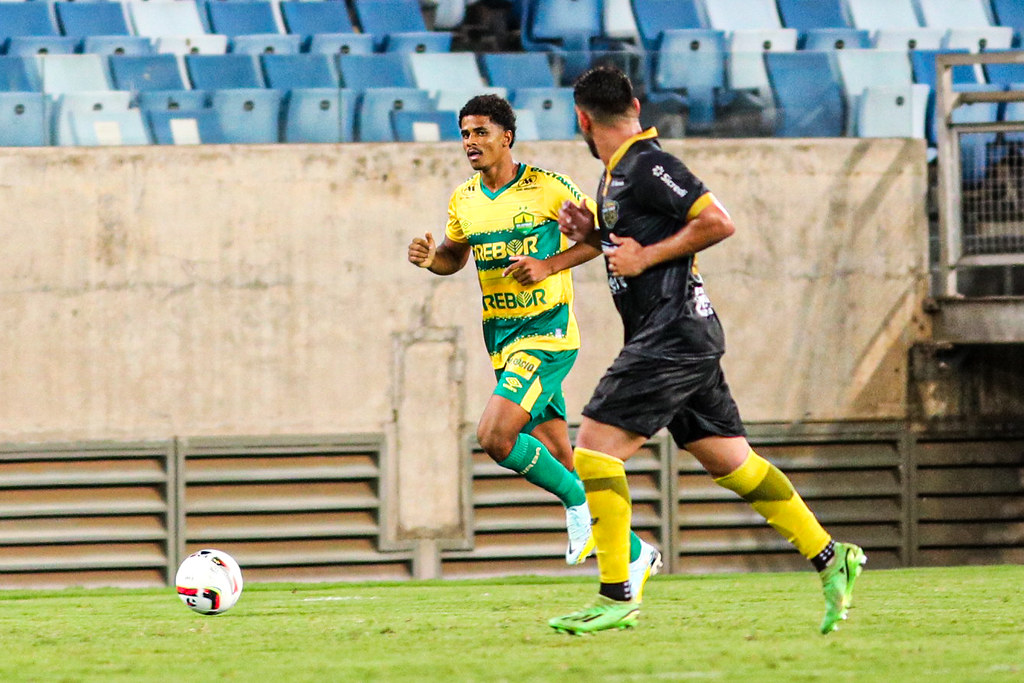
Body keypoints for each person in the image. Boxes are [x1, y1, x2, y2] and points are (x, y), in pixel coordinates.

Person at [548, 67, 866, 635]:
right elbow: (636, 243)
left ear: (582, 119)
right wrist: (591, 236)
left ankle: (617, 592)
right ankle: (830, 556)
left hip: (671, 335)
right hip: (684, 336)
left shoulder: (650, 166)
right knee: (733, 463)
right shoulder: (616, 175)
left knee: (593, 451)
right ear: (635, 105)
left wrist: (645, 258)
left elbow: (717, 222)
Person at [407, 94, 662, 592]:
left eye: (481, 132)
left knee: (495, 436)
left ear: (506, 137)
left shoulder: (548, 187)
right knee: (562, 459)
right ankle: (636, 553)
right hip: (502, 340)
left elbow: (602, 235)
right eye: (465, 134)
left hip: (547, 334)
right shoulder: (464, 199)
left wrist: (548, 265)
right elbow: (454, 257)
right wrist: (431, 259)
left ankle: (577, 504)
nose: (470, 142)